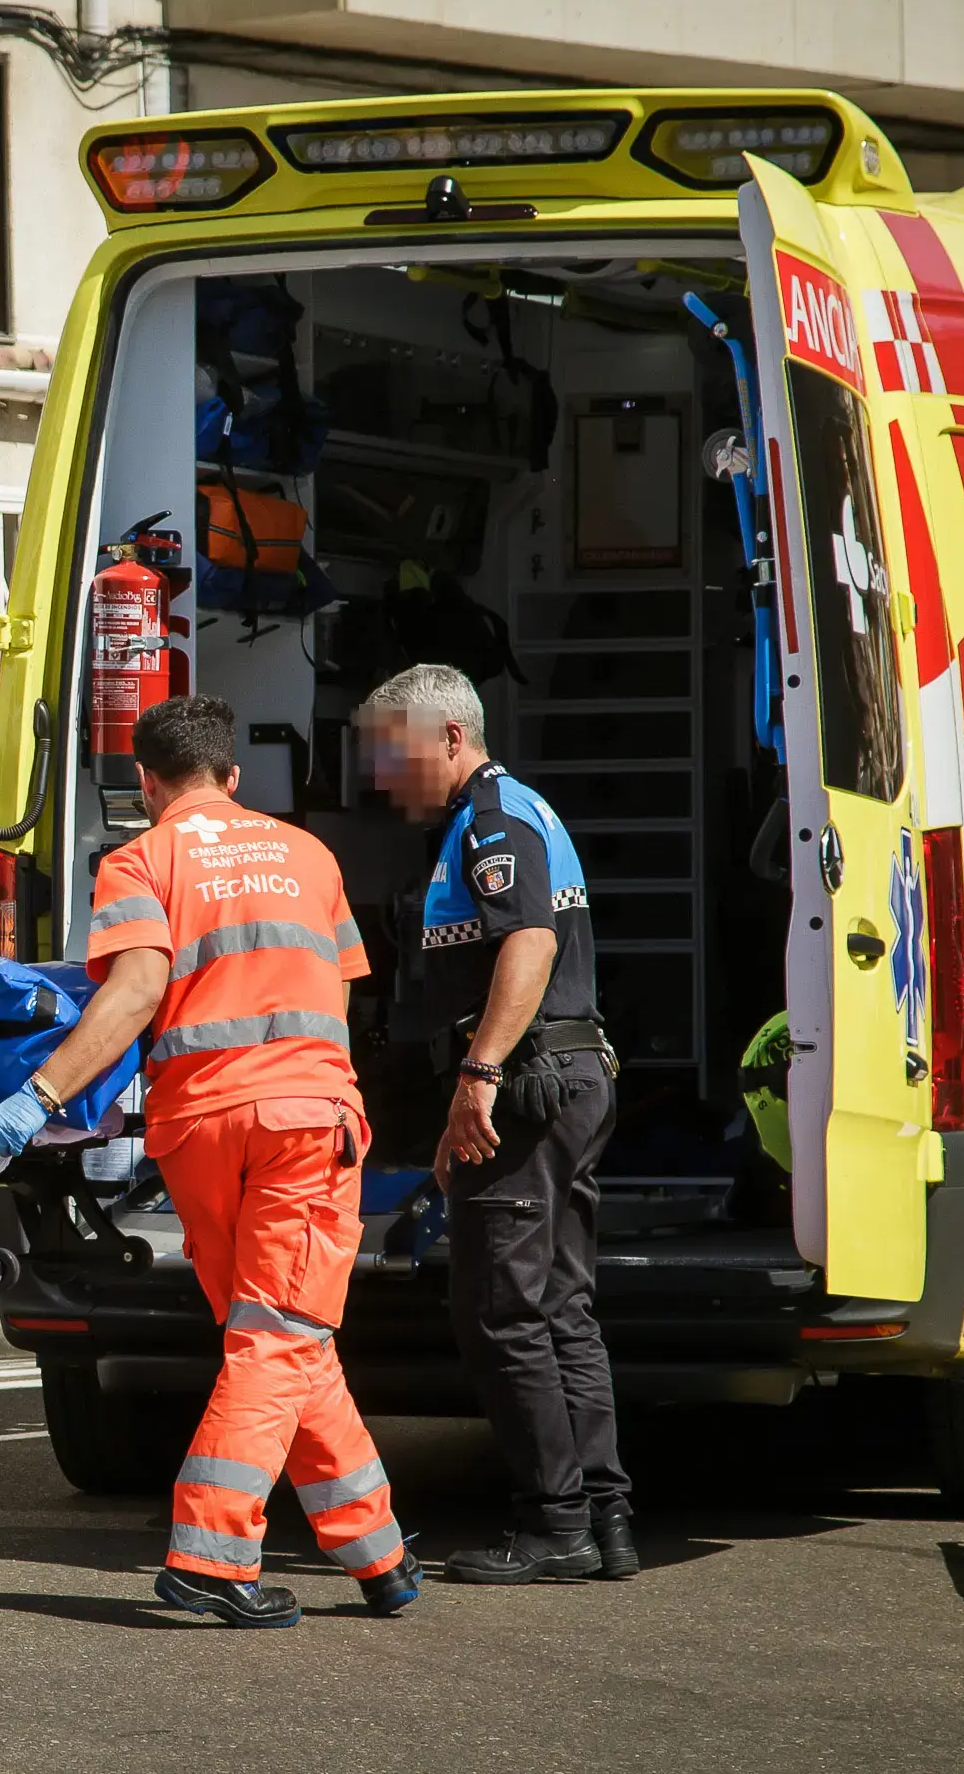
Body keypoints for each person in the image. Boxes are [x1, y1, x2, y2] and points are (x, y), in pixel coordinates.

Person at [0, 694, 417, 1629]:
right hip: (303, 1120)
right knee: (281, 1335)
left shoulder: (140, 859)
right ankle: (212, 1559)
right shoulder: (310, 857)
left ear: (145, 783)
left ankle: (375, 1550)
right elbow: (338, 998)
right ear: (234, 776)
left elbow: (136, 991)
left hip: (200, 1132)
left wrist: (38, 1098)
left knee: (283, 1340)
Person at [358, 663, 633, 1586]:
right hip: (559, 1080)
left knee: (501, 1315)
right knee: (559, 1307)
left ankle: (555, 1525)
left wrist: (477, 1075)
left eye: (392, 750)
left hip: (525, 1088)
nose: (382, 774)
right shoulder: (501, 815)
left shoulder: (492, 820)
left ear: (448, 736)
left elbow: (529, 941)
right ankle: (604, 1520)